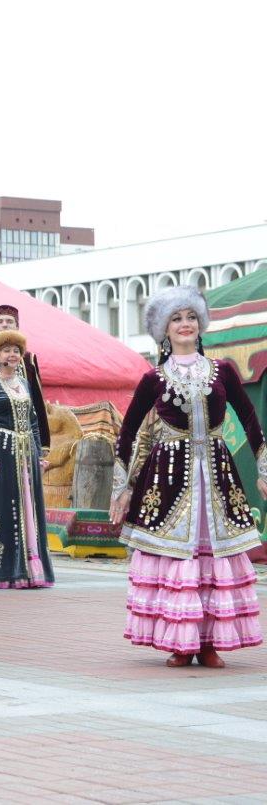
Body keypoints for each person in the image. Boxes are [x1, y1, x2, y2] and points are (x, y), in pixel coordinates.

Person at [111, 286, 267, 668]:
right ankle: (181, 642)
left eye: (191, 317)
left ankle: (209, 642)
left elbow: (250, 419)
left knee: (213, 555)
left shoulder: (222, 371)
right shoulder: (154, 378)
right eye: (176, 319)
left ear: (201, 325)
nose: (185, 324)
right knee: (178, 557)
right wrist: (123, 488)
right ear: (164, 329)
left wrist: (263, 469)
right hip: (167, 479)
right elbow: (128, 433)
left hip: (216, 473)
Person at [0, 331, 55, 589]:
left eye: (16, 350)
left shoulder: (25, 384)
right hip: (3, 453)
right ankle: (3, 570)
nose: (13, 354)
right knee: (5, 511)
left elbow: (34, 422)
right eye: (7, 350)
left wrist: (38, 455)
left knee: (29, 509)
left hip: (26, 453)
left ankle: (29, 570)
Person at [0, 304, 50, 464]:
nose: (5, 324)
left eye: (9, 321)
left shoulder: (29, 359)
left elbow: (37, 402)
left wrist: (44, 441)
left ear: (17, 327)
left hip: (26, 438)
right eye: (0, 321)